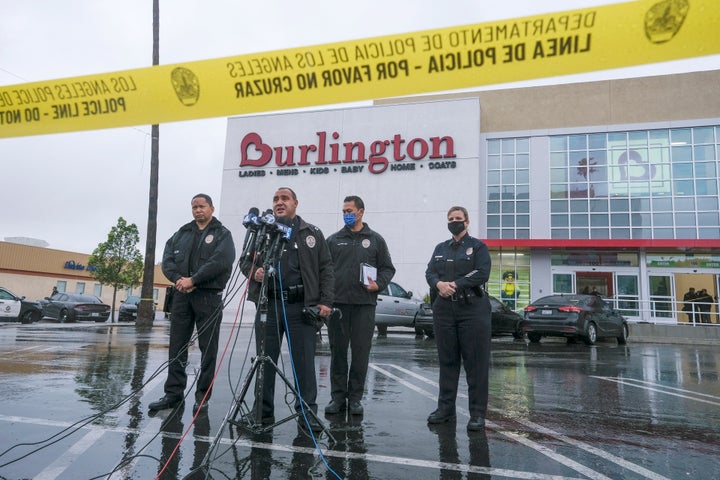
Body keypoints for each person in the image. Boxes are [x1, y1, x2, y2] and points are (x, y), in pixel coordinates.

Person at [242, 187, 335, 432]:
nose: (279, 202)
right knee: (264, 361)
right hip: (268, 305)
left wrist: (326, 301)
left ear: (296, 203)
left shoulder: (311, 233)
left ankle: (307, 415)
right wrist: (255, 272)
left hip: (301, 307)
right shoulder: (264, 231)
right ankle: (261, 412)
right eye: (275, 199)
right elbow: (245, 260)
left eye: (285, 199)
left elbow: (326, 269)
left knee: (304, 364)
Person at [149, 193, 236, 414]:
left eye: (202, 206)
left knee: (208, 349)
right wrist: (179, 279)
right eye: (194, 207)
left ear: (212, 209)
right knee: (177, 346)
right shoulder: (181, 234)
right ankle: (173, 394)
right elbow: (167, 259)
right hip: (181, 296)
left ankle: (202, 396)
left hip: (208, 297)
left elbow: (221, 261)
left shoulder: (222, 234)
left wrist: (194, 280)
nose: (198, 210)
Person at [325, 195, 396, 416]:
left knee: (360, 354)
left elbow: (387, 268)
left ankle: (355, 399)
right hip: (337, 306)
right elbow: (324, 271)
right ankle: (337, 398)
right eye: (344, 210)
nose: (346, 214)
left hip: (364, 306)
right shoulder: (334, 240)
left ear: (361, 212)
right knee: (337, 354)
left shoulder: (375, 240)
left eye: (350, 210)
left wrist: (379, 284)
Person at [425, 206, 491, 431]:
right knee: (447, 362)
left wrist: (455, 284)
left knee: (475, 364)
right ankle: (445, 409)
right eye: (451, 218)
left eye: (458, 218)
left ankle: (477, 414)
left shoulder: (478, 247)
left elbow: (482, 272)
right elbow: (430, 272)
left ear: (467, 221)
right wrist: (438, 284)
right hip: (445, 311)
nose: (454, 221)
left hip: (472, 309)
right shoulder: (440, 248)